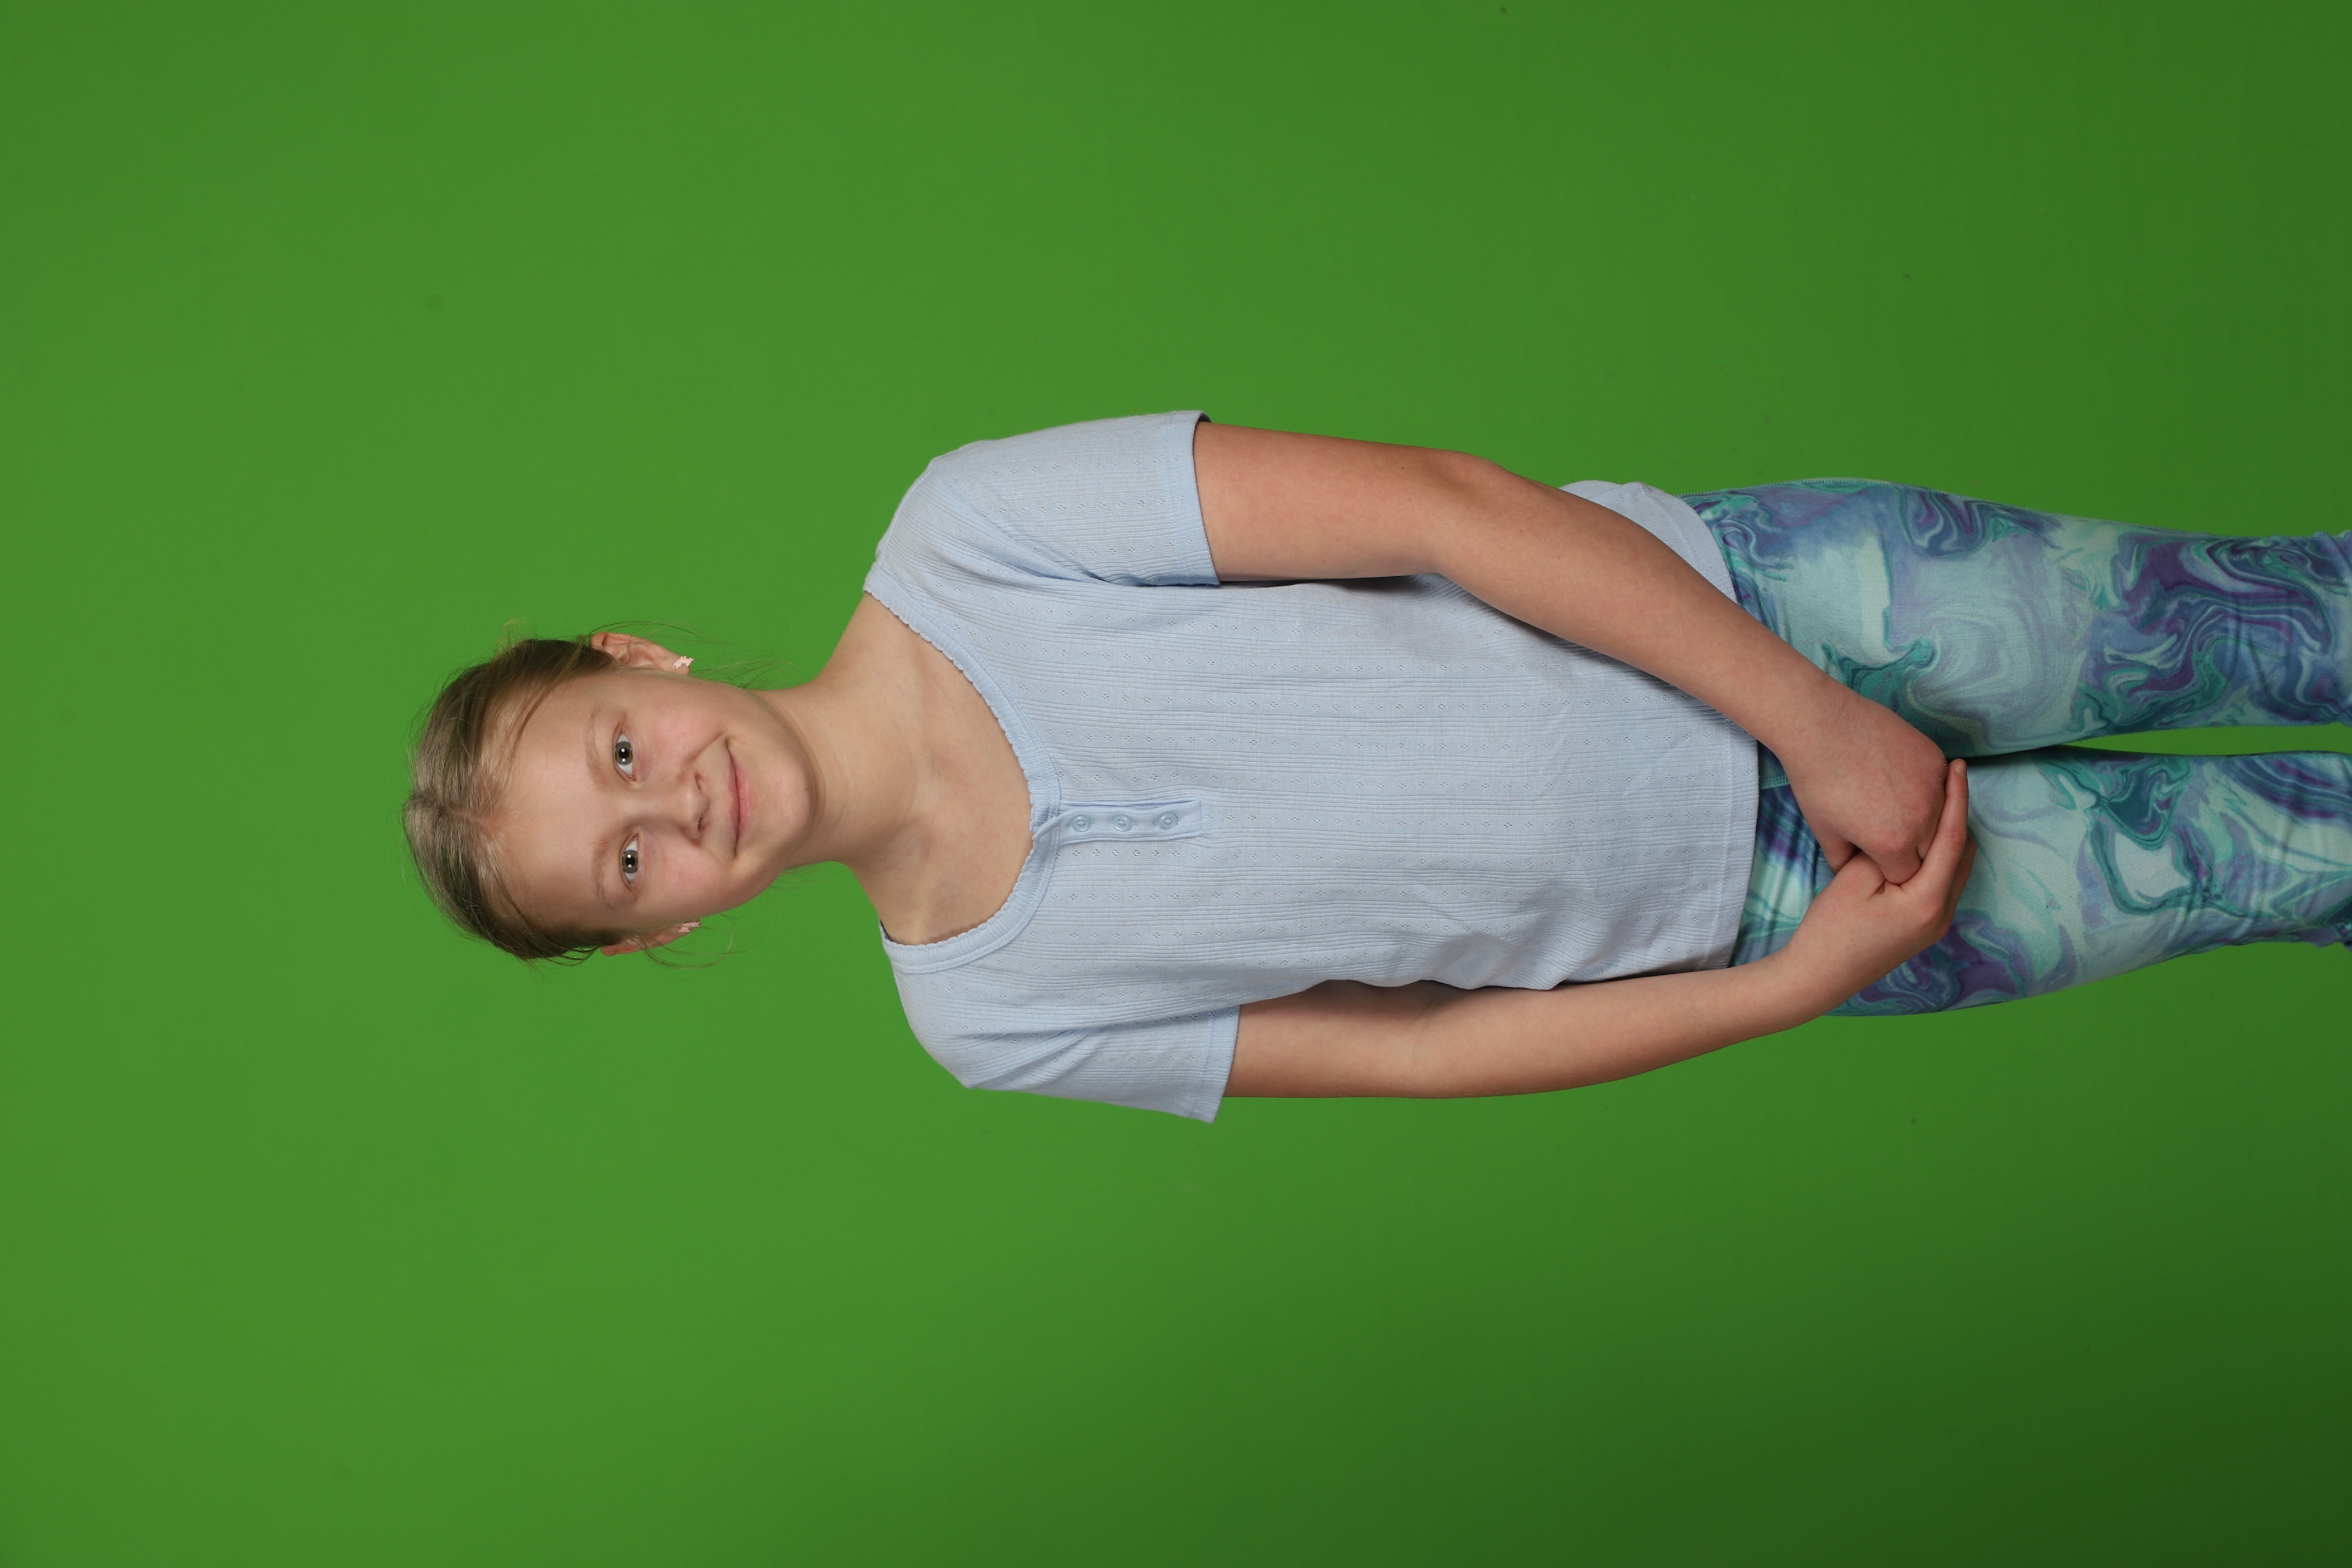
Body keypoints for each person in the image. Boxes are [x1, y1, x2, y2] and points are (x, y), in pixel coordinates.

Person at [404, 413, 2352, 1120]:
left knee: (2269, 614)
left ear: (637, 659)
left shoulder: (968, 532)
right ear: (655, 934)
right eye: (627, 863)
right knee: (2291, 865)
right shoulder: (986, 1019)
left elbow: (1441, 509)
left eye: (620, 752)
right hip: (1782, 913)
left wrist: (1811, 713)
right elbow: (1420, 1052)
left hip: (1790, 613)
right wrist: (1792, 987)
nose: (674, 807)